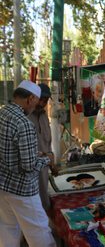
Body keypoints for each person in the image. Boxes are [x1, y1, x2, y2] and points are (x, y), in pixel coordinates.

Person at [0, 80, 56, 247]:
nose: (36, 107)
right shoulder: (24, 123)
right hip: (22, 188)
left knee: (8, 231)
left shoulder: (3, 114)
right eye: (36, 102)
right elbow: (29, 166)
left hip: (3, 185)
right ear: (31, 98)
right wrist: (48, 160)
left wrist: (33, 154)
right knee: (39, 233)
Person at [28, 83, 59, 218]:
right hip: (29, 169)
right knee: (31, 206)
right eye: (39, 99)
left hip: (44, 168)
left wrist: (52, 165)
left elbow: (47, 144)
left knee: (43, 201)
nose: (41, 103)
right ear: (32, 98)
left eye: (44, 101)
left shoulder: (45, 116)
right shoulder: (26, 117)